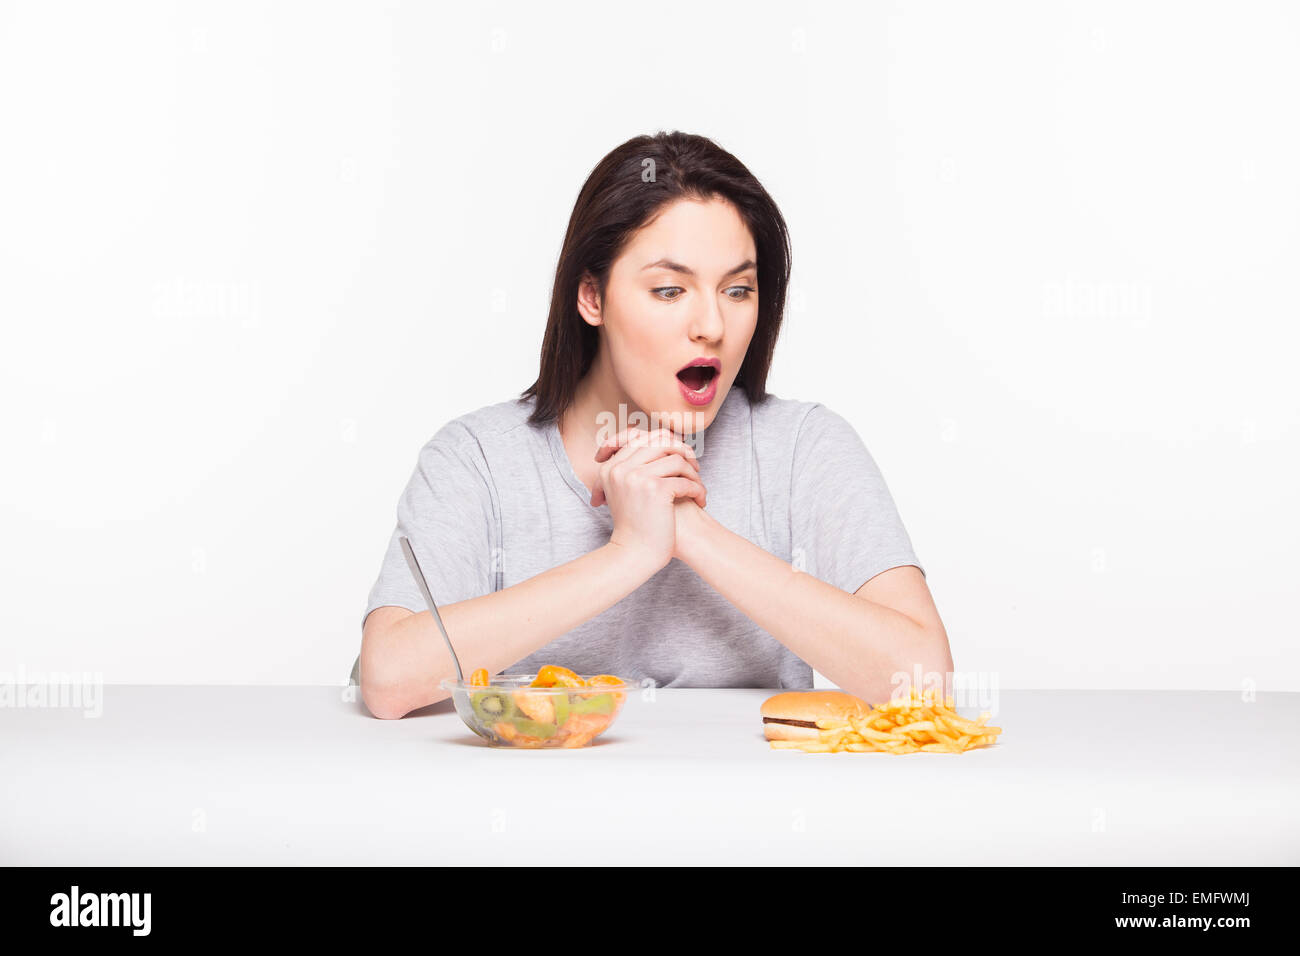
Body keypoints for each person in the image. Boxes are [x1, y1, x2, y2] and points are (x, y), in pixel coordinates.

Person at [351, 130, 953, 719]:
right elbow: (387, 680)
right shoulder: (476, 458)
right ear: (592, 296)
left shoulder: (803, 447)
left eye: (738, 290)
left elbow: (924, 683)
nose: (711, 325)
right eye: (670, 290)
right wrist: (630, 552)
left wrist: (690, 532)